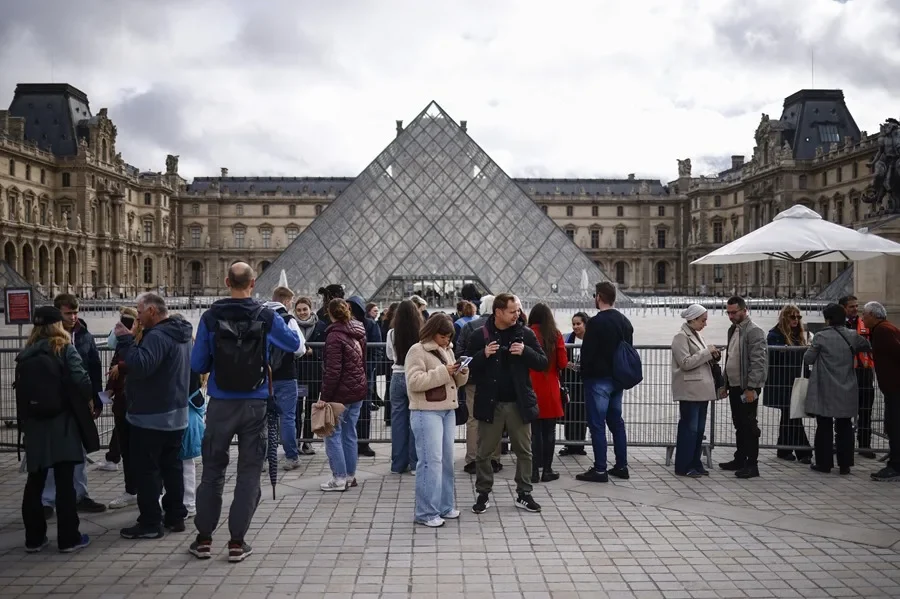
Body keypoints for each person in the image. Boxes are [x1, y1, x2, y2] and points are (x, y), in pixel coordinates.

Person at [189, 262, 300, 562]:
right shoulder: (265, 315)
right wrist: (283, 316)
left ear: (227, 281)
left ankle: (203, 539)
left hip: (220, 404)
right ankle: (237, 542)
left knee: (212, 472)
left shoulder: (211, 317)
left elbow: (198, 364)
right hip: (255, 403)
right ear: (253, 283)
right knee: (249, 473)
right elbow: (293, 343)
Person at [17, 306, 96, 553]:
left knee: (35, 483)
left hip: (35, 426)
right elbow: (82, 380)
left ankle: (34, 539)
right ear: (57, 325)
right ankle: (68, 538)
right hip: (63, 423)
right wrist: (87, 399)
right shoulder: (63, 348)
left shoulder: (25, 354)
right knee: (65, 484)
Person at [114, 293, 193, 540]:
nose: (136, 316)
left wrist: (126, 341)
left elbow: (142, 365)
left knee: (147, 471)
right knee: (172, 467)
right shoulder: (181, 334)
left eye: (139, 311)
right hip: (177, 413)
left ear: (151, 311)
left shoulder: (158, 336)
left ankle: (150, 523)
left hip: (151, 415)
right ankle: (175, 516)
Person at [467, 293, 547, 514]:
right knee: (483, 452)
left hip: (518, 403)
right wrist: (483, 354)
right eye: (513, 311)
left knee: (524, 451)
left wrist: (525, 351)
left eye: (518, 310)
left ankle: (524, 493)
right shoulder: (478, 335)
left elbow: (542, 362)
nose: (518, 314)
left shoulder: (526, 333)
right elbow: (465, 365)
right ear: (498, 312)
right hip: (490, 403)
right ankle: (483, 493)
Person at [42, 294, 106, 516]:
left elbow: (94, 366)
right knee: (51, 451)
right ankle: (47, 501)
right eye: (68, 313)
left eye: (75, 312)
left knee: (79, 450)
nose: (73, 317)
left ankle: (80, 495)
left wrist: (97, 398)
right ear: (57, 313)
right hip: (55, 402)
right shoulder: (46, 338)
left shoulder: (84, 334)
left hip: (79, 402)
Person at [405, 314, 469, 527]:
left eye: (449, 337)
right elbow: (414, 382)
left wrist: (461, 372)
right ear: (433, 333)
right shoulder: (417, 350)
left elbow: (455, 382)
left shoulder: (448, 350)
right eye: (443, 336)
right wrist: (444, 371)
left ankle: (445, 506)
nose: (447, 341)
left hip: (447, 410)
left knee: (446, 462)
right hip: (426, 411)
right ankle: (425, 512)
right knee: (430, 462)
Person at [804, 303, 871, 475]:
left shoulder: (820, 337)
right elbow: (867, 346)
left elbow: (808, 359)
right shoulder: (852, 335)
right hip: (847, 386)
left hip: (825, 387)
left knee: (824, 426)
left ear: (827, 319)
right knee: (845, 426)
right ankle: (845, 464)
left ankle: (824, 464)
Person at [576, 282, 634, 483]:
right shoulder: (625, 322)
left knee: (597, 424)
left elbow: (588, 353)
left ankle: (600, 469)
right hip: (617, 379)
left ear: (599, 297)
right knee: (616, 423)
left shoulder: (596, 322)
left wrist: (583, 373)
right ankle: (621, 466)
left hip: (598, 380)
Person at [317, 298, 368, 491]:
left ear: (329, 313)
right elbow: (362, 362)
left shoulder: (334, 336)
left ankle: (338, 479)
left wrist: (324, 396)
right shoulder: (359, 331)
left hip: (340, 393)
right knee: (349, 434)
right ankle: (350, 476)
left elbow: (333, 371)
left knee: (333, 435)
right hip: (357, 390)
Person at [718, 296, 767, 479]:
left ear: (744, 310)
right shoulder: (733, 330)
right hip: (735, 386)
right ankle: (740, 458)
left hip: (747, 387)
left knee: (749, 425)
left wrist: (751, 387)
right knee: (739, 424)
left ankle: (752, 464)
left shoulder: (754, 331)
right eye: (728, 312)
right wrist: (725, 383)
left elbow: (758, 362)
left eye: (734, 312)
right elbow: (731, 358)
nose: (730, 316)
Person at [670, 304, 721, 477]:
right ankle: (684, 466)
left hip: (701, 390)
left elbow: (699, 360)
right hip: (690, 390)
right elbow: (685, 363)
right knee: (689, 429)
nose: (705, 323)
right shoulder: (680, 337)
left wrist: (712, 356)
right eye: (703, 320)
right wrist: (707, 352)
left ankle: (695, 462)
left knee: (698, 430)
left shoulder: (697, 335)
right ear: (692, 319)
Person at [455, 294, 502, 475]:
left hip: (473, 380)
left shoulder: (469, 326)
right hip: (495, 380)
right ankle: (494, 459)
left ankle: (472, 459)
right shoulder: (501, 327)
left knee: (473, 420)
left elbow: (460, 352)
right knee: (495, 418)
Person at [263, 286, 307, 470]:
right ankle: (291, 457)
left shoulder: (259, 317)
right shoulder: (288, 320)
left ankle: (261, 459)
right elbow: (300, 349)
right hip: (286, 375)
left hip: (263, 375)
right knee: (287, 418)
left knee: (263, 419)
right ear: (286, 301)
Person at [105, 309, 143, 510]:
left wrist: (122, 366)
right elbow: (113, 366)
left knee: (144, 452)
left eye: (137, 321)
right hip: (122, 404)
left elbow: (144, 364)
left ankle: (149, 490)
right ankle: (131, 490)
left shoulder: (148, 341)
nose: (134, 324)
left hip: (142, 406)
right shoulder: (124, 343)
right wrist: (109, 389)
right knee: (127, 451)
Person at [764, 305, 812, 463]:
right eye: (792, 317)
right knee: (793, 416)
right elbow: (773, 360)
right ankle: (803, 452)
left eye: (798, 317)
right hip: (782, 382)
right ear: (784, 317)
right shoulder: (775, 335)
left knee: (789, 416)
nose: (796, 320)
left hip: (796, 381)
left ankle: (784, 450)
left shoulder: (798, 335)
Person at [526, 303, 568, 483]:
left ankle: (533, 471)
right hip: (550, 387)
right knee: (549, 431)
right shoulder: (555, 335)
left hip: (530, 387)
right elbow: (563, 363)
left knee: (533, 432)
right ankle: (547, 470)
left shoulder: (526, 333)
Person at [97, 307, 140, 473]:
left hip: (126, 395)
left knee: (122, 429)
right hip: (123, 395)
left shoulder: (128, 345)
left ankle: (113, 458)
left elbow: (118, 370)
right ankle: (113, 457)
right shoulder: (126, 343)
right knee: (120, 428)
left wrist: (108, 390)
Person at [861, 302, 900, 481]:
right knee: (892, 425)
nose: (862, 318)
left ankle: (895, 467)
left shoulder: (883, 331)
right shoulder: (883, 329)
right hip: (892, 388)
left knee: (894, 426)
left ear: (874, 316)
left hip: (896, 388)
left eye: (865, 315)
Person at [386, 300, 423, 474]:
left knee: (398, 423)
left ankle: (398, 464)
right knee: (415, 421)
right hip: (414, 377)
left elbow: (388, 355)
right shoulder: (421, 333)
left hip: (397, 376)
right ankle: (415, 463)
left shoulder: (392, 333)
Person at [839, 295, 877, 459]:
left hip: (865, 372)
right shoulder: (838, 325)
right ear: (843, 309)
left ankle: (864, 444)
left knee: (865, 410)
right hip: (846, 373)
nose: (855, 309)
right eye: (851, 306)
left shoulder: (865, 323)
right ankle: (842, 444)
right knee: (843, 411)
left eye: (856, 306)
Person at [347, 295, 382, 457]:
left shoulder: (370, 325)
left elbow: (377, 350)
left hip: (365, 373)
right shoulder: (345, 325)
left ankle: (363, 443)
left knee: (365, 409)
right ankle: (353, 443)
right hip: (350, 373)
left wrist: (369, 368)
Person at [559, 312, 588, 456]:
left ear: (585, 324)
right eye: (574, 324)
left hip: (584, 382)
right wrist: (567, 364)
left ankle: (580, 444)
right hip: (570, 380)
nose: (575, 326)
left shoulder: (590, 339)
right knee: (570, 412)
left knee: (582, 413)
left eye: (578, 324)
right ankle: (569, 444)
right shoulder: (569, 338)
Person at [294, 296, 319, 455]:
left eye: (305, 309)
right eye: (299, 310)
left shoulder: (321, 326)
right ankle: (295, 440)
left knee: (311, 409)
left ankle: (308, 442)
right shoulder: (290, 325)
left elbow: (327, 349)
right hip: (297, 376)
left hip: (314, 375)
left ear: (311, 309)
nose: (302, 312)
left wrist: (314, 351)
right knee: (296, 409)